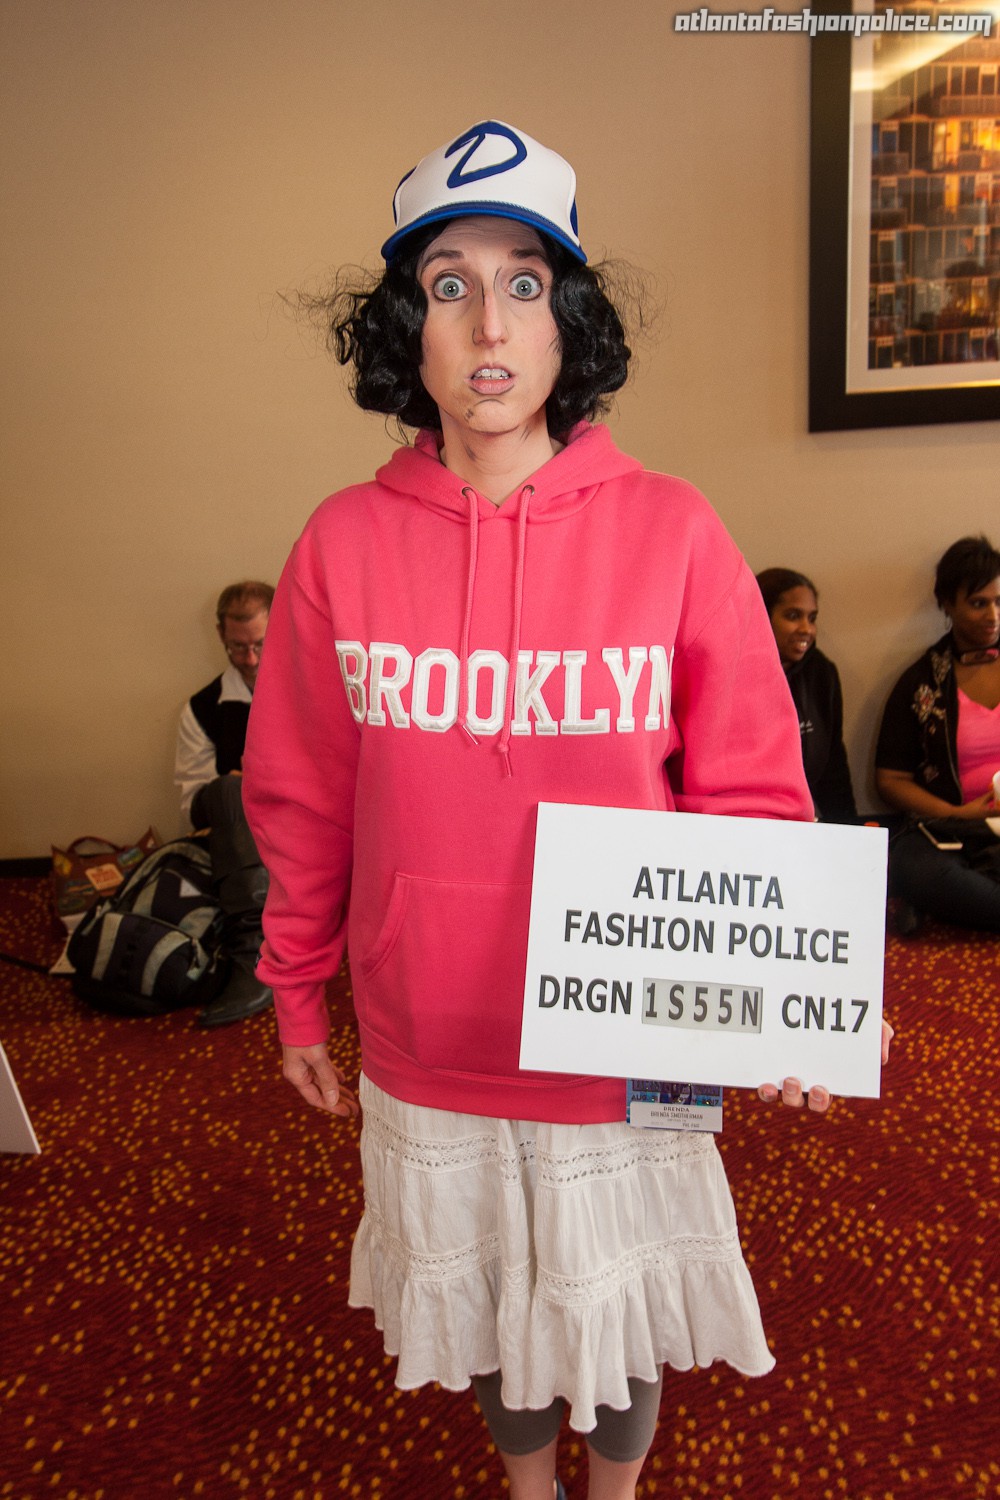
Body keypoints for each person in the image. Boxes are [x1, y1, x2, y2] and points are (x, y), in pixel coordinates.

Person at [242, 121, 891, 1500]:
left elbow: (749, 788)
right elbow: (301, 794)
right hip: (433, 1022)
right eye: (449, 284)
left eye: (525, 283)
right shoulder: (340, 545)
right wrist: (295, 988)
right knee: (488, 1305)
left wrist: (789, 997)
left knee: (625, 1305)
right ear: (406, 330)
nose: (489, 322)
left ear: (569, 321)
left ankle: (619, 1492)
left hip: (631, 1026)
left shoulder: (673, 528)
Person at [875, 536, 1000, 933]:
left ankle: (966, 902)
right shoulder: (921, 682)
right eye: (978, 603)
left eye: (999, 601)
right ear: (947, 603)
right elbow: (891, 780)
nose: (993, 615)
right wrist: (958, 813)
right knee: (912, 868)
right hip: (952, 829)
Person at [175, 580, 276, 1026]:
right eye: (237, 647)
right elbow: (191, 804)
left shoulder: (316, 688)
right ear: (220, 635)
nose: (249, 659)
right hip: (241, 832)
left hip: (305, 824)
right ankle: (252, 952)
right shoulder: (202, 709)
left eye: (259, 645)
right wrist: (240, 787)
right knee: (228, 791)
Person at [755, 568, 858, 822]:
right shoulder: (734, 674)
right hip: (746, 819)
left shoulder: (821, 673)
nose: (807, 629)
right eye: (793, 616)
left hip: (805, 818)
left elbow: (833, 765)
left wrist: (848, 830)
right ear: (761, 615)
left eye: (812, 618)